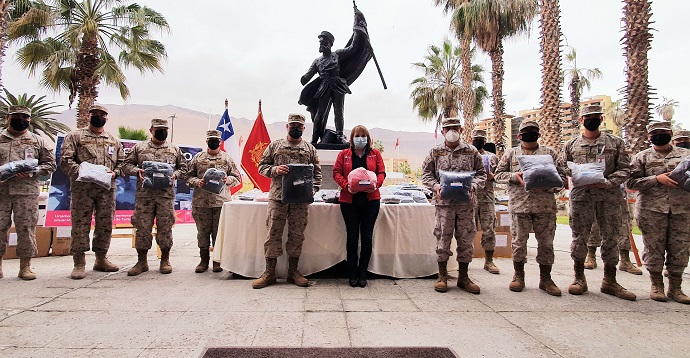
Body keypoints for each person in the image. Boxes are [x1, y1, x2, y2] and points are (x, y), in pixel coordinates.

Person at [562, 104, 636, 300]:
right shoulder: (571, 145)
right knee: (579, 237)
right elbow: (562, 168)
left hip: (609, 197)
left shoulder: (615, 142)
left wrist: (608, 182)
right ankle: (579, 278)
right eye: (588, 117)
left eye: (596, 117)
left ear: (601, 119)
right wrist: (578, 175)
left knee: (611, 237)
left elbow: (626, 169)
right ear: (581, 121)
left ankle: (609, 281)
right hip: (581, 197)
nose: (592, 120)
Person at [495, 120, 566, 296]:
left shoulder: (549, 153)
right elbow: (498, 175)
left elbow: (563, 178)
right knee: (519, 243)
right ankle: (518, 276)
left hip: (545, 206)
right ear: (519, 136)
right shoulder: (512, 154)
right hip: (520, 206)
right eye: (526, 131)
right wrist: (514, 176)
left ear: (539, 134)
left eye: (533, 131)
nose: (530, 134)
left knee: (546, 244)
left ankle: (546, 279)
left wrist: (549, 184)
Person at [252, 113, 322, 289]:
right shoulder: (275, 146)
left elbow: (317, 175)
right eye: (293, 126)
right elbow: (261, 167)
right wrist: (275, 170)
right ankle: (269, 273)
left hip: (300, 200)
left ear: (304, 129)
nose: (296, 128)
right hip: (278, 198)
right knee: (273, 234)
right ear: (287, 127)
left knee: (297, 234)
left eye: (299, 126)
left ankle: (293, 272)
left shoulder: (310, 149)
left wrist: (312, 191)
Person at [627, 122, 690, 304]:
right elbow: (631, 183)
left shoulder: (686, 156)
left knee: (680, 248)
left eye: (663, 132)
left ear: (670, 134)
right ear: (649, 137)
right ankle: (657, 285)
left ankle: (676, 288)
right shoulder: (642, 157)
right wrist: (656, 179)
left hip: (682, 209)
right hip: (651, 210)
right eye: (655, 133)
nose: (659, 135)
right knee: (653, 248)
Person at [422, 117, 486, 294]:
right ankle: (442, 276)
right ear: (442, 132)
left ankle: (463, 277)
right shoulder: (435, 152)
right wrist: (436, 187)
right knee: (443, 238)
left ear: (461, 130)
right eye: (448, 128)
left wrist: (473, 185)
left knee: (466, 240)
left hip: (466, 205)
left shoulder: (472, 151)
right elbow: (426, 175)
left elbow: (481, 174)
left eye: (455, 128)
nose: (451, 131)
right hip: (444, 205)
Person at [60, 104, 125, 279]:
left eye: (102, 115)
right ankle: (79, 263)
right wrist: (83, 172)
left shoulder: (113, 140)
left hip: (106, 190)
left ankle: (101, 259)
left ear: (106, 118)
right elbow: (65, 160)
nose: (99, 117)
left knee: (105, 224)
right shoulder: (75, 136)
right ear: (88, 116)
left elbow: (122, 163)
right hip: (83, 189)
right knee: (80, 225)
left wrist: (115, 172)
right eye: (95, 114)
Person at [123, 118, 187, 276]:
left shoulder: (174, 149)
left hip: (165, 196)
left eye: (165, 129)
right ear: (151, 130)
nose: (162, 132)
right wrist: (136, 171)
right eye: (158, 129)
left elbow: (184, 168)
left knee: (165, 228)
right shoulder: (140, 148)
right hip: (145, 196)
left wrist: (175, 174)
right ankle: (141, 262)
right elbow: (125, 165)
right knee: (142, 228)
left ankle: (165, 260)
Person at [299, 8, 372, 144]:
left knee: (339, 112)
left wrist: (357, 30)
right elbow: (308, 75)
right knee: (320, 114)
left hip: (337, 85)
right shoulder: (317, 61)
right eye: (320, 42)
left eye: (324, 42)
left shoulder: (337, 54)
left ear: (330, 44)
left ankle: (339, 135)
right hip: (323, 88)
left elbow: (353, 48)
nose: (322, 44)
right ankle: (315, 138)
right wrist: (304, 78)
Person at [0, 105, 56, 280]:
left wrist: (34, 171)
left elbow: (50, 165)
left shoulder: (37, 141)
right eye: (17, 116)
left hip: (26, 193)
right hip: (1, 192)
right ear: (8, 118)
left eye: (25, 117)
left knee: (26, 229)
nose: (21, 120)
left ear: (30, 120)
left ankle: (25, 266)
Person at [333, 125, 386, 287]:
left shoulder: (375, 154)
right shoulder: (344, 154)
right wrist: (346, 186)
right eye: (357, 136)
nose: (360, 139)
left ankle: (363, 272)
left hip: (371, 202)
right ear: (352, 138)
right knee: (352, 236)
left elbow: (382, 173)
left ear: (368, 139)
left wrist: (377, 184)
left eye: (363, 136)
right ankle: (352, 273)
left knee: (367, 237)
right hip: (349, 202)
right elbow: (336, 172)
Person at [182, 130, 241, 273]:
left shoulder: (227, 158)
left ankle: (217, 261)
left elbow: (237, 178)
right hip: (201, 203)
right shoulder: (198, 158)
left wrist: (228, 180)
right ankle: (203, 261)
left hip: (221, 203)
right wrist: (197, 182)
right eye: (211, 139)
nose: (214, 142)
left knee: (219, 233)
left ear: (220, 142)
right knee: (202, 232)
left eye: (216, 140)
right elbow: (187, 177)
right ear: (207, 141)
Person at [584, 189, 642, 275]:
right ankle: (591, 256)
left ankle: (625, 260)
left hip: (618, 191)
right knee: (594, 224)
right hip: (597, 191)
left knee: (623, 224)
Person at [471, 129, 500, 274]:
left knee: (489, 229)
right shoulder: (467, 155)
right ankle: (465, 261)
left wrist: (493, 176)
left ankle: (489, 261)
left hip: (487, 198)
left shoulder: (492, 157)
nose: (478, 141)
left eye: (481, 139)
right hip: (470, 198)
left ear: (485, 141)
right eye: (476, 139)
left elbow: (502, 176)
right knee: (468, 230)